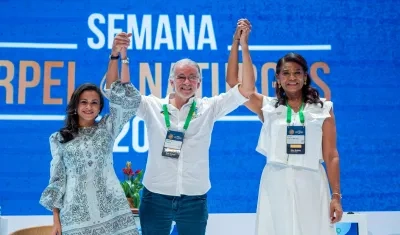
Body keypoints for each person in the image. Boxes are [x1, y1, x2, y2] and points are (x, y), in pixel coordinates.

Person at [102, 24, 255, 235]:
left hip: (194, 199)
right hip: (155, 197)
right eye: (181, 77)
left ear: (199, 83)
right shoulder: (151, 106)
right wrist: (115, 56)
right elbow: (114, 92)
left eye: (192, 77)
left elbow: (246, 89)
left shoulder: (209, 108)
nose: (187, 82)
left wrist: (242, 45)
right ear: (171, 81)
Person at [226, 19, 343, 235]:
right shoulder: (268, 107)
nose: (292, 78)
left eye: (297, 73)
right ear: (278, 78)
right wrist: (240, 44)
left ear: (305, 77)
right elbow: (234, 83)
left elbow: (331, 154)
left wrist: (336, 196)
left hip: (312, 182)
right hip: (276, 181)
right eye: (286, 73)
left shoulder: (323, 108)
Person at [39, 35, 141, 235]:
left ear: (100, 107)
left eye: (95, 102)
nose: (89, 107)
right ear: (75, 106)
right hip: (76, 217)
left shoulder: (107, 129)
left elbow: (119, 96)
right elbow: (57, 180)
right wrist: (56, 220)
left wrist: (118, 57)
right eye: (84, 102)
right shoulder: (59, 138)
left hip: (113, 213)